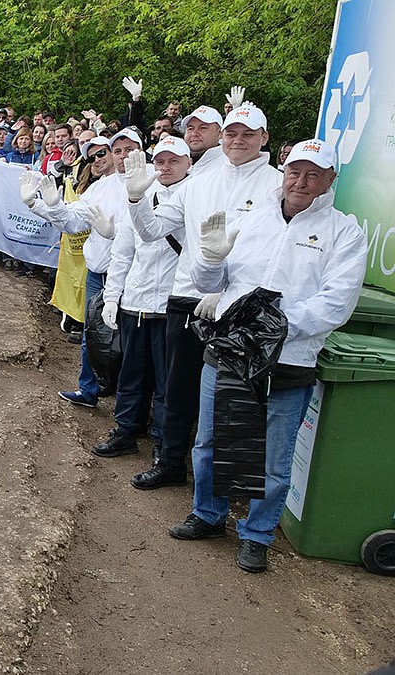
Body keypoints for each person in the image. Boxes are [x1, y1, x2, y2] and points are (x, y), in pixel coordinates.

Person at [172, 139, 367, 573]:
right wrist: (209, 259)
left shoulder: (344, 232)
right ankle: (208, 515)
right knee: (211, 443)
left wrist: (275, 327)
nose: (301, 182)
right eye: (295, 171)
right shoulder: (252, 217)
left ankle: (257, 535)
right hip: (231, 351)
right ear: (284, 172)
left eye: (314, 174)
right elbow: (212, 281)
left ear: (331, 180)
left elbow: (337, 302)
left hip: (290, 360)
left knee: (274, 460)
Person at [124, 103, 282, 490]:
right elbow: (152, 231)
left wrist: (229, 292)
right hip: (188, 298)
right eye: (232, 133)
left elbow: (275, 253)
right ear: (223, 137)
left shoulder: (276, 185)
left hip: (243, 308)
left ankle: (224, 485)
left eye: (248, 134)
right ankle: (172, 462)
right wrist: (136, 200)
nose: (239, 141)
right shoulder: (199, 181)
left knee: (234, 397)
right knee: (178, 388)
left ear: (264, 138)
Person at [91, 136, 192, 459]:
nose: (165, 167)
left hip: (170, 305)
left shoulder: (197, 196)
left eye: (173, 161)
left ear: (188, 163)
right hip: (135, 302)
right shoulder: (140, 192)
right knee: (131, 375)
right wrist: (112, 296)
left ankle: (164, 445)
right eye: (160, 161)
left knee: (167, 383)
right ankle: (126, 431)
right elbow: (123, 252)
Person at [23, 130, 138, 408]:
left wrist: (116, 232)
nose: (98, 159)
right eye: (93, 156)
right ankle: (88, 390)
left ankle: (128, 404)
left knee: (130, 343)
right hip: (98, 273)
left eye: (103, 153)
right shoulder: (100, 188)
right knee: (93, 334)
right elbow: (73, 222)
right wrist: (40, 204)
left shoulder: (149, 185)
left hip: (133, 276)